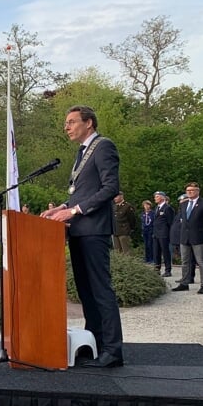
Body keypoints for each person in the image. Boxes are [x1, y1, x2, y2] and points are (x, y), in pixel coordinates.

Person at [43, 106, 123, 368]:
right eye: (65, 123)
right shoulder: (81, 153)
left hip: (94, 230)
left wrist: (74, 210)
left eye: (72, 122)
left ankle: (113, 350)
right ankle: (96, 343)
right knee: (86, 292)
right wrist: (62, 208)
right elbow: (81, 191)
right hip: (78, 230)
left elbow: (110, 188)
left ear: (89, 123)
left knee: (100, 290)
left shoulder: (103, 146)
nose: (67, 127)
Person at [174, 182, 203, 294]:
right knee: (185, 261)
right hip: (185, 236)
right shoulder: (183, 204)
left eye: (192, 190)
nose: (189, 192)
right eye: (188, 191)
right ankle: (184, 282)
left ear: (197, 191)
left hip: (198, 236)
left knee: (201, 261)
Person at [152, 191, 174, 277]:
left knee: (165, 252)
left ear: (162, 197)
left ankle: (168, 270)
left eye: (157, 197)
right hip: (156, 233)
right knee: (156, 252)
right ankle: (157, 269)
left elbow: (170, 222)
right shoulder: (157, 208)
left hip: (164, 233)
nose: (155, 198)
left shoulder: (167, 208)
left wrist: (169, 233)